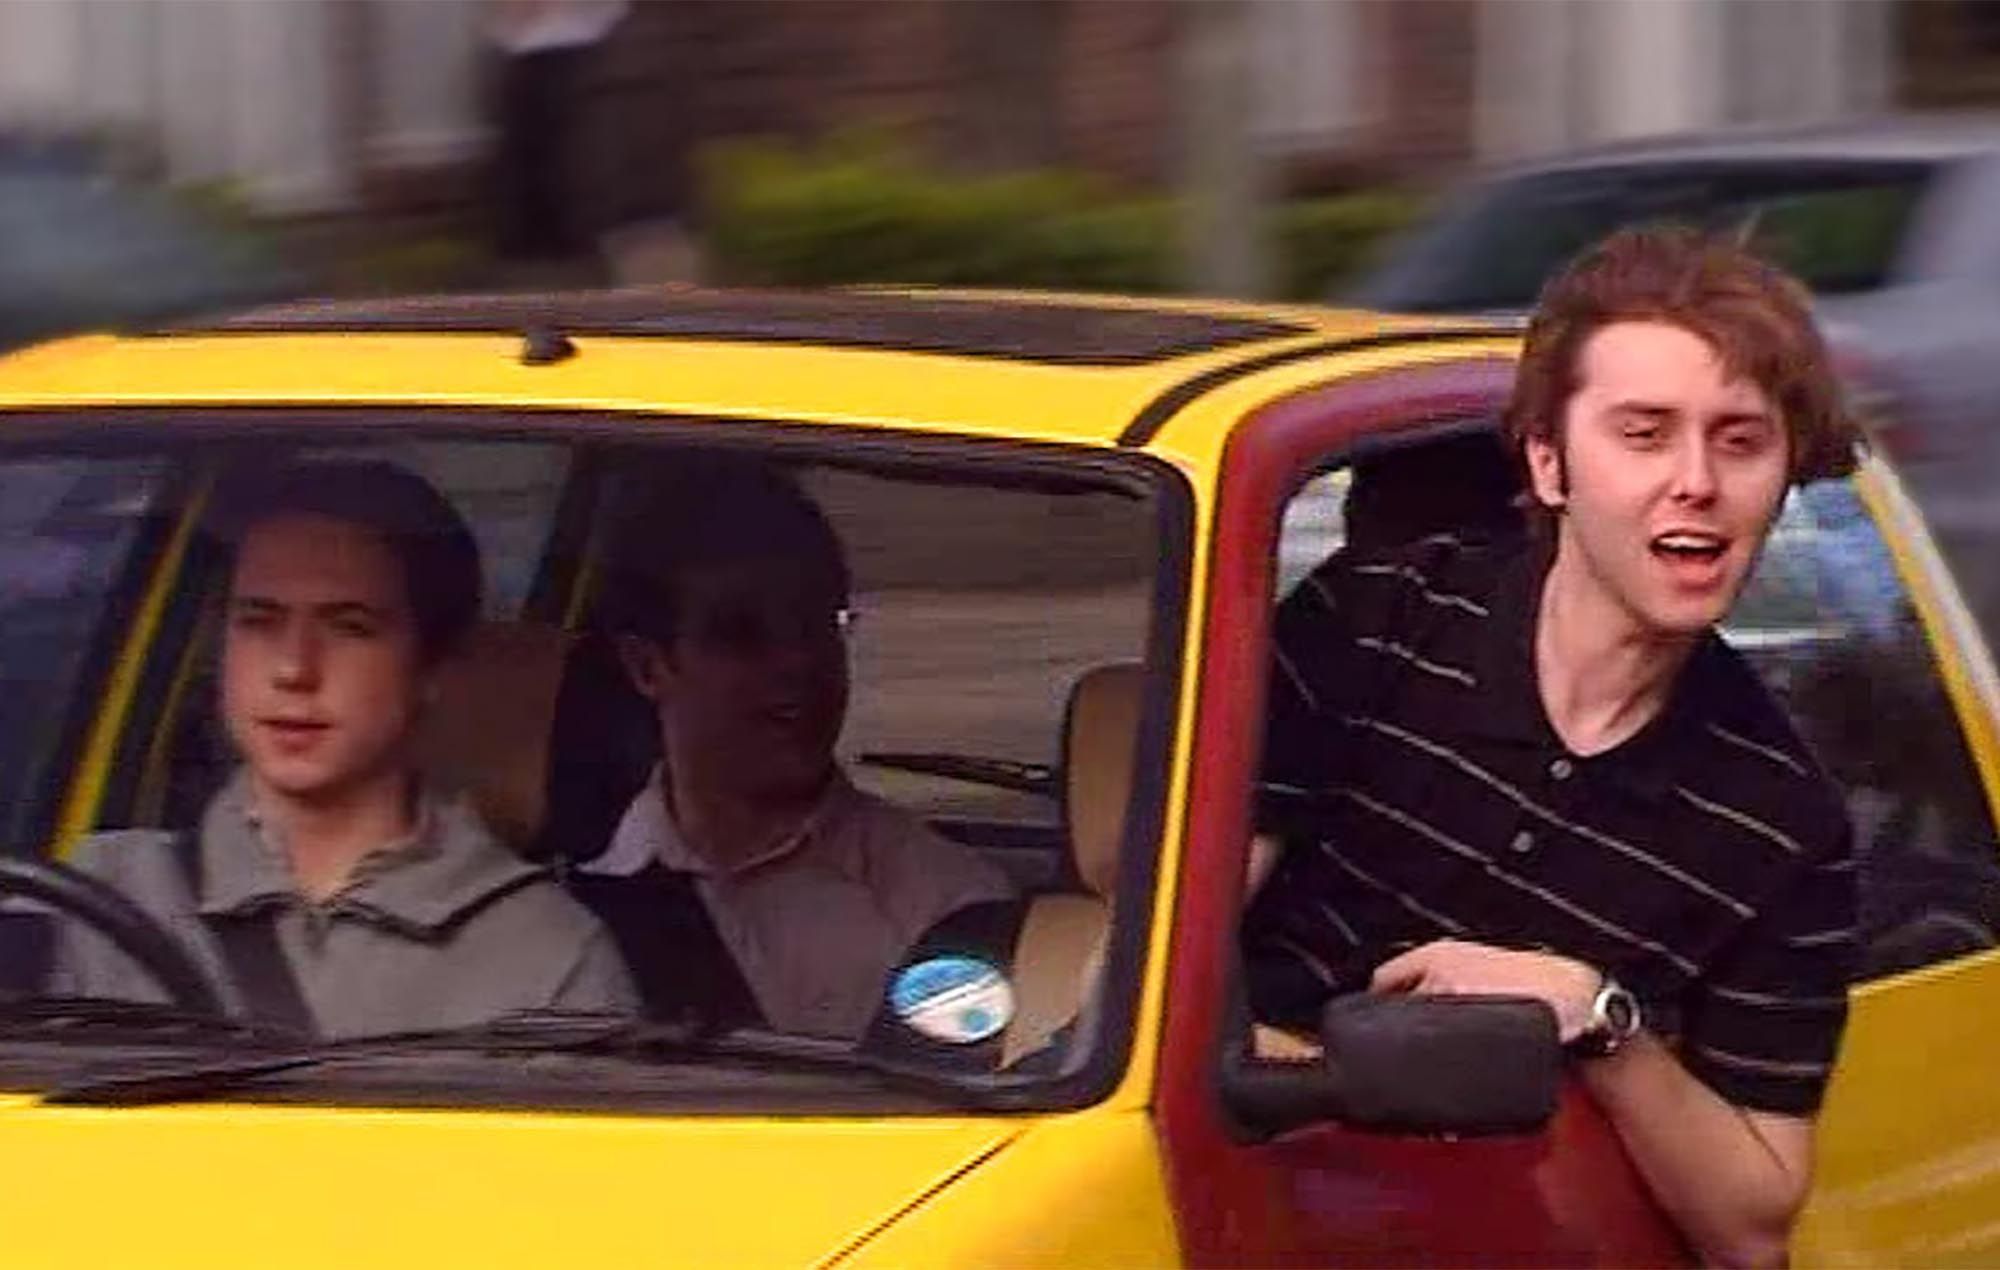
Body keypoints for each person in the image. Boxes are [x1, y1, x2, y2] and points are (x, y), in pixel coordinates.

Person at [1242, 226, 1860, 1269]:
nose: (1695, 482)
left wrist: (1592, 1013)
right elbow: (1176, 935)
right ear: (1549, 461)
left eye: (1739, 441)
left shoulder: (1781, 821)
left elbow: (1752, 1226)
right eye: (1644, 432)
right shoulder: (1377, 619)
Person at [53, 460, 636, 1037]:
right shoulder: (94, 898)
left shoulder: (548, 958)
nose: (293, 669)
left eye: (349, 626)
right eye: (259, 622)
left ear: (432, 666)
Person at [571, 456, 1016, 1041]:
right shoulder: (559, 908)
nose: (797, 662)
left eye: (817, 626)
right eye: (742, 634)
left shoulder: (946, 908)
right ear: (648, 666)